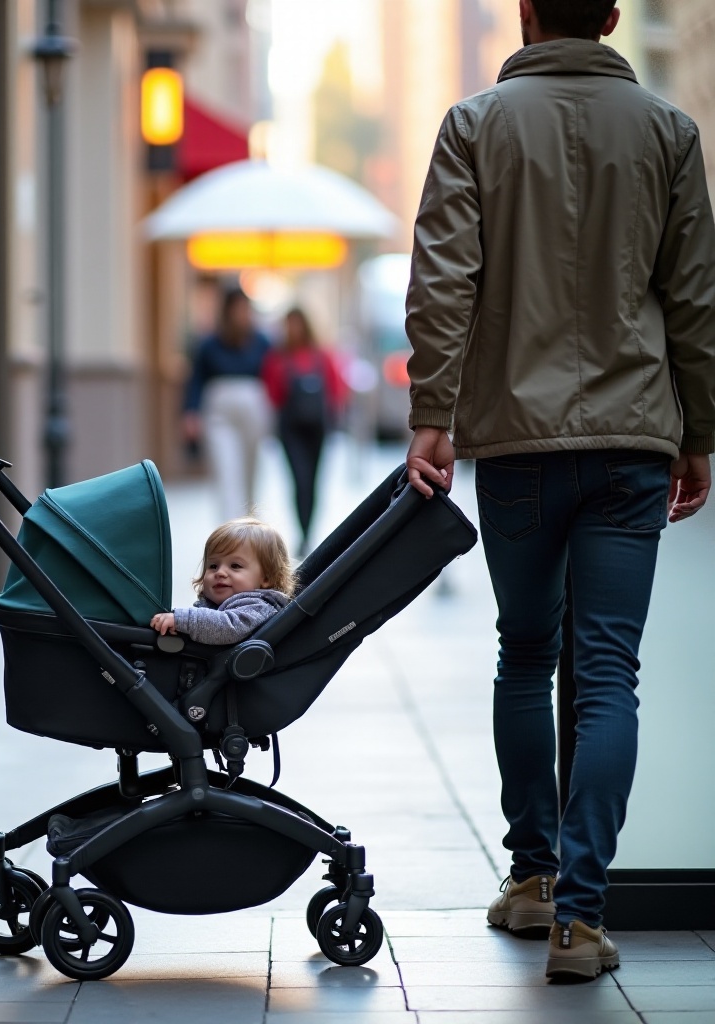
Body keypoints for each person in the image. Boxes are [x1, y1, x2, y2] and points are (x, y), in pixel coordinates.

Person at [404, 0, 715, 983]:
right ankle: (582, 921)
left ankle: (533, 876)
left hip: (517, 442)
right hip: (632, 441)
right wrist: (699, 433)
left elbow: (442, 280)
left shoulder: (474, 124)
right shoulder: (669, 132)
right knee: (608, 673)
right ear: (613, 17)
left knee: (526, 654)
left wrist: (432, 411)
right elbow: (695, 299)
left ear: (527, 14)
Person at [261, 307, 348, 556]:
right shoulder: (277, 357)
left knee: (313, 481)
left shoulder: (322, 356)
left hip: (317, 428)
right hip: (291, 429)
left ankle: (308, 533)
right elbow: (271, 392)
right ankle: (302, 531)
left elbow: (336, 389)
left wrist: (333, 417)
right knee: (299, 480)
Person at [183, 287, 273, 522]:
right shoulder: (209, 344)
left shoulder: (261, 342)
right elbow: (196, 380)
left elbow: (274, 375)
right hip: (219, 414)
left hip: (253, 411)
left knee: (251, 471)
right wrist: (190, 411)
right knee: (226, 470)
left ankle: (250, 525)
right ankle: (230, 528)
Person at [151, 517, 294, 645]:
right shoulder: (214, 604)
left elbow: (228, 627)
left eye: (235, 566)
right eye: (213, 566)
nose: (220, 572)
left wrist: (182, 620)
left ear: (266, 578)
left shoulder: (260, 606)